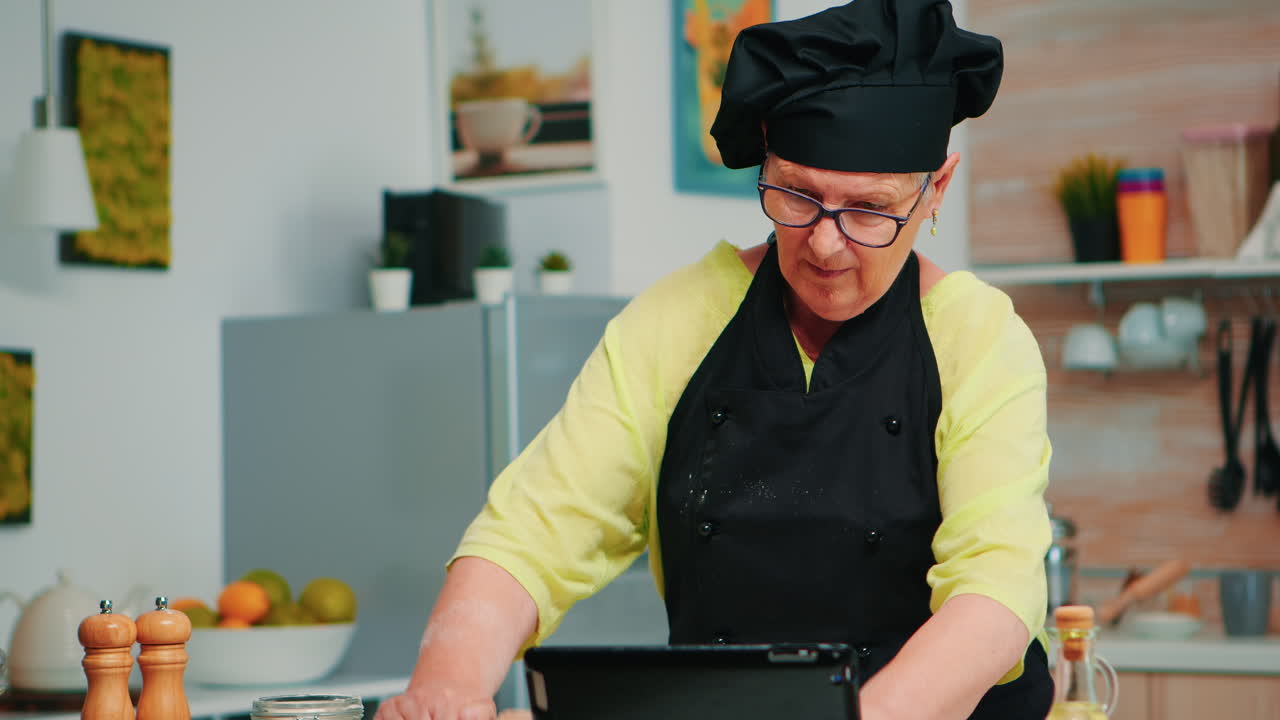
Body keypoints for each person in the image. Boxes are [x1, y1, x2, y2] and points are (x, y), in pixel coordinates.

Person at [375, 1, 1052, 719]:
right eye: (795, 194)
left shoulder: (977, 336)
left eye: (866, 211)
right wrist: (446, 684)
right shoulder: (678, 319)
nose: (824, 244)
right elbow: (534, 530)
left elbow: (994, 594)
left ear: (935, 190)